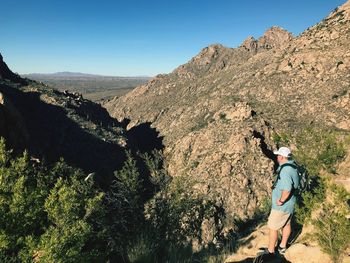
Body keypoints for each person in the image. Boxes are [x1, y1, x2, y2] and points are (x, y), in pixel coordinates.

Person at [259, 146, 299, 258]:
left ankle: (271, 251)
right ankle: (282, 246)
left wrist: (281, 200)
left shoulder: (285, 170)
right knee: (286, 224)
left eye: (278, 155)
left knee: (273, 227)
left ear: (282, 157)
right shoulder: (293, 165)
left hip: (282, 205)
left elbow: (287, 189)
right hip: (290, 203)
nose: (276, 157)